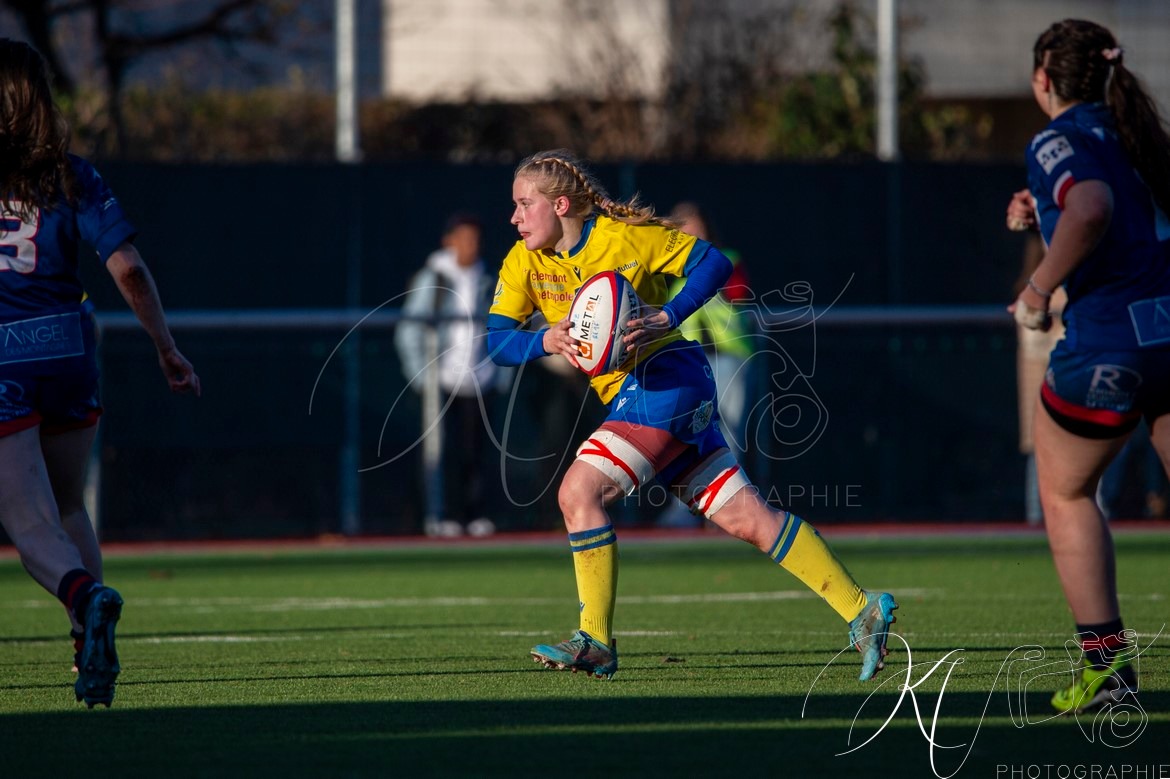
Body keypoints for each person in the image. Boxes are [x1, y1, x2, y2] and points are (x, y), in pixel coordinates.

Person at [486, 149, 897, 681]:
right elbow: (496, 343)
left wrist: (667, 315)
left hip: (668, 379)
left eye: (524, 204)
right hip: (642, 395)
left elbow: (713, 263)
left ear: (560, 204)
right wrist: (544, 337)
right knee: (750, 521)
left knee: (578, 493)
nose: (514, 218)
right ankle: (861, 607)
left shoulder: (624, 238)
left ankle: (595, 640)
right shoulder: (523, 261)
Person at [0, 39, 200, 707]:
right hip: (67, 346)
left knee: (28, 525)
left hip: (1, 355)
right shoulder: (71, 175)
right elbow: (130, 270)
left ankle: (86, 599)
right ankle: (88, 648)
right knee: (67, 504)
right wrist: (165, 346)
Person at [1004, 19, 1170, 715]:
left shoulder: (1055, 138)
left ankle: (1107, 669)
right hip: (1167, 331)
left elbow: (1092, 206)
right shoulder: (1139, 135)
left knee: (1067, 491)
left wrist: (1039, 290)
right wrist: (1043, 211)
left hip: (1109, 341)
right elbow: (1110, 207)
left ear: (1043, 79)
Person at [395, 212, 502, 538]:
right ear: (449, 241)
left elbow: (505, 329)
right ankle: (433, 516)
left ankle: (473, 514)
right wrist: (423, 378)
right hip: (440, 383)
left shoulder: (490, 279)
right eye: (464, 238)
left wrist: (500, 374)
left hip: (480, 382)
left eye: (475, 239)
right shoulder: (433, 278)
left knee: (475, 453)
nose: (471, 245)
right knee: (437, 453)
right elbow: (409, 331)